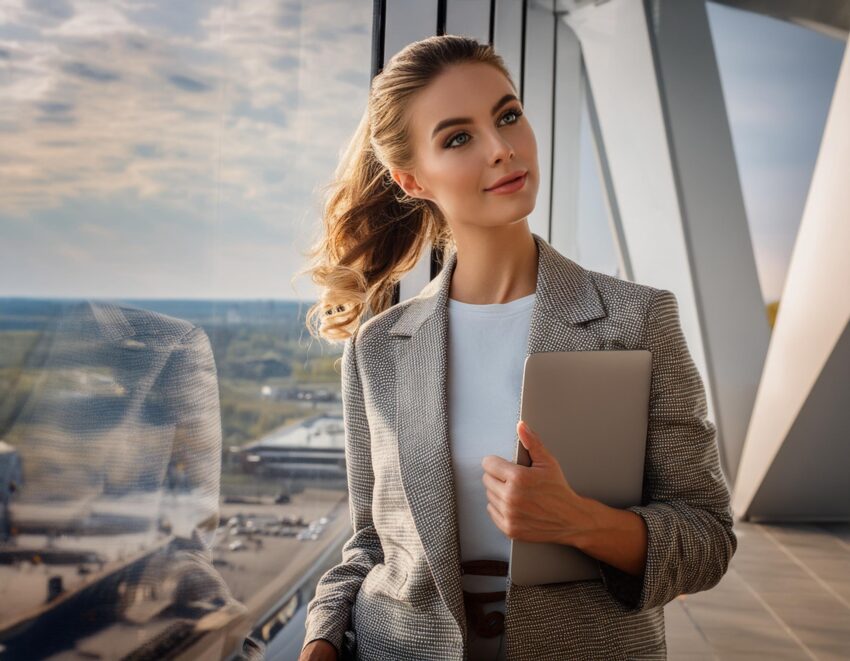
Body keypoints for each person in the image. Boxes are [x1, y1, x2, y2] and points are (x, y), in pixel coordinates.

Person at [297, 35, 737, 661]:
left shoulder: (638, 320)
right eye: (458, 137)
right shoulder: (380, 348)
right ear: (411, 178)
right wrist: (320, 641)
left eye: (507, 116)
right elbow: (371, 544)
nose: (503, 149)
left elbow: (708, 540)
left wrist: (579, 521)